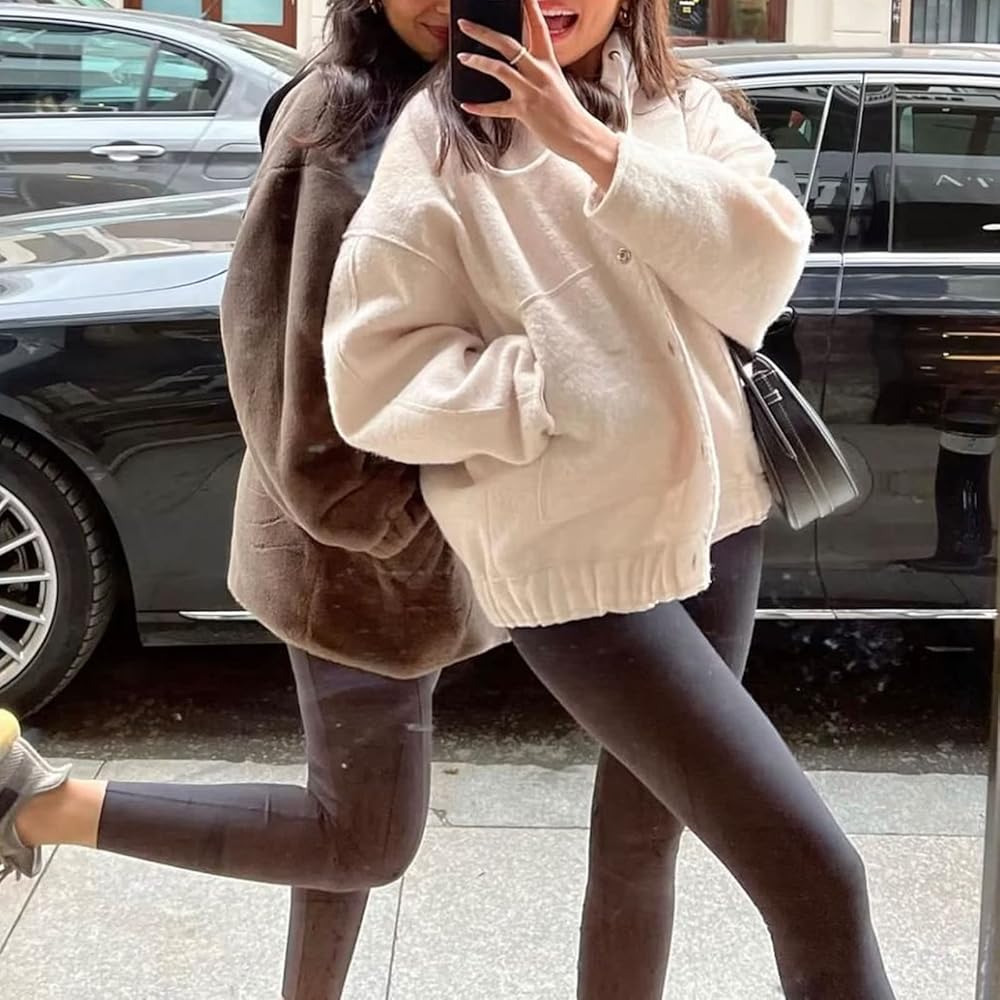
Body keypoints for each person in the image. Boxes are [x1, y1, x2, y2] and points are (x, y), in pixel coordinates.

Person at [0, 3, 780, 1000]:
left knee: (591, 824)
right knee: (360, 834)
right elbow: (288, 373)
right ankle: (38, 801)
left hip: (519, 526)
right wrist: (411, 519)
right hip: (369, 549)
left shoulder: (580, 94)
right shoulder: (342, 111)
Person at [321, 0, 900, 996]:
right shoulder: (443, 136)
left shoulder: (685, 105)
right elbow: (372, 376)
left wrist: (588, 144)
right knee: (818, 877)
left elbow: (762, 272)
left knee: (641, 840)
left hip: (719, 523)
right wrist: (549, 388)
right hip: (576, 555)